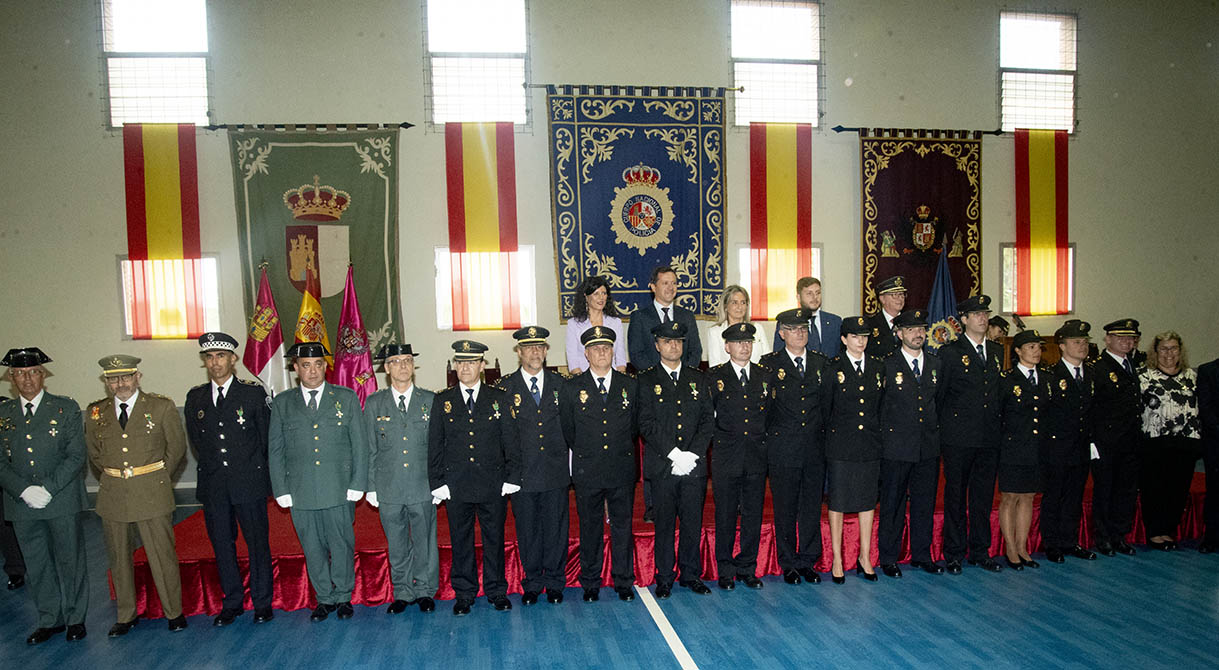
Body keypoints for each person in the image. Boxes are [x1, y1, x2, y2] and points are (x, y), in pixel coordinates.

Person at [85, 354, 188, 634]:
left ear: (137, 377)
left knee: (162, 555)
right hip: (114, 494)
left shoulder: (160, 407)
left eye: (126, 376)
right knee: (118, 558)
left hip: (151, 492)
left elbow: (176, 449)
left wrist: (155, 478)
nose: (121, 383)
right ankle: (126, 614)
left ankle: (173, 611)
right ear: (106, 383)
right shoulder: (96, 413)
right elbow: (95, 454)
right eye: (114, 379)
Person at [268, 342, 368, 622]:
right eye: (306, 365)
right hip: (300, 490)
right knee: (312, 546)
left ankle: (344, 596)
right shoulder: (283, 402)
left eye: (318, 364)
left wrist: (358, 482)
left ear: (326, 367)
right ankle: (324, 597)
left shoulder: (345, 398)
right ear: (296, 368)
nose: (312, 371)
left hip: (338, 487)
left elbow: (359, 444)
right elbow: (275, 450)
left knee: (341, 543)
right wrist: (281, 488)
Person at [184, 333, 274, 627]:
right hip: (215, 486)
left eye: (221, 356)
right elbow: (198, 442)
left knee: (258, 544)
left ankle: (262, 603)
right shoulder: (195, 397)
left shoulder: (252, 394)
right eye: (209, 357)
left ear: (233, 359)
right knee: (222, 545)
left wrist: (253, 471)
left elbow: (264, 440)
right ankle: (232, 602)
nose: (215, 362)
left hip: (248, 482)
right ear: (203, 362)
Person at [0, 348, 89, 644]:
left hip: (61, 499)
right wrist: (23, 490)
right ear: (12, 377)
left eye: (34, 372)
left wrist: (48, 488)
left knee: (70, 560)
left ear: (43, 375)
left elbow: (76, 456)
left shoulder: (65, 409)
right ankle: (50, 619)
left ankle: (76, 618)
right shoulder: (4, 414)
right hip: (21, 504)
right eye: (21, 373)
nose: (28, 379)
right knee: (37, 564)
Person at [428, 340, 521, 616]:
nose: (465, 367)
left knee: (494, 538)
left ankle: (496, 590)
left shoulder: (499, 398)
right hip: (457, 486)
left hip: (493, 483)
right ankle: (465, 592)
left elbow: (511, 441)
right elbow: (436, 445)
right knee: (461, 540)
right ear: (455, 366)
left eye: (471, 362)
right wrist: (437, 482)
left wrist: (512, 476)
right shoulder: (443, 401)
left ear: (482, 366)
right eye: (460, 362)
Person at [560, 326, 639, 603]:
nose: (601, 353)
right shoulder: (572, 389)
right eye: (595, 349)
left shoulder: (630, 385)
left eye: (606, 348)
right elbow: (569, 430)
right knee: (590, 528)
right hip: (588, 469)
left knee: (622, 527)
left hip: (621, 468)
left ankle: (623, 581)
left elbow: (633, 428)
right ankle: (591, 582)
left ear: (613, 351)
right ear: (586, 353)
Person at [494, 327, 570, 605]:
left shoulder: (562, 385)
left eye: (540, 347)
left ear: (546, 351)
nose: (535, 352)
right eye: (529, 347)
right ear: (519, 352)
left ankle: (555, 581)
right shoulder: (504, 388)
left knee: (555, 528)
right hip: (521, 474)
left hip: (555, 470)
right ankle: (532, 582)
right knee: (527, 530)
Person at [639, 321, 714, 597]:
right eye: (668, 341)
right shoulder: (646, 380)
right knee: (665, 524)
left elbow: (707, 421)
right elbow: (645, 423)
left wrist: (692, 455)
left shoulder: (698, 378)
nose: (674, 346)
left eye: (678, 341)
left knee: (693, 523)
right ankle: (665, 577)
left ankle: (691, 574)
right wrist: (674, 454)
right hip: (663, 465)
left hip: (693, 467)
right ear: (657, 345)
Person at [363, 343, 438, 614]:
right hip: (389, 486)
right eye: (396, 361)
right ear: (386, 368)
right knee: (396, 543)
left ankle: (425, 590)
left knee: (424, 540)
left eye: (407, 360)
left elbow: (438, 448)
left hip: (422, 484)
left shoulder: (430, 400)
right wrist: (370, 486)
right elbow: (369, 448)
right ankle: (403, 591)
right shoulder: (374, 403)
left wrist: (439, 482)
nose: (403, 366)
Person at [759, 308, 830, 585]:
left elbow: (827, 406)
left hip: (814, 447)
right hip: (782, 449)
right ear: (781, 333)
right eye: (793, 329)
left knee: (811, 508)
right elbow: (764, 409)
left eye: (803, 329)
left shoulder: (822, 363)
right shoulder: (769, 364)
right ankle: (788, 562)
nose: (800, 333)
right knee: (785, 508)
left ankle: (808, 560)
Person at [936, 294, 1003, 574]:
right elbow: (940, 397)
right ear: (963, 320)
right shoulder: (950, 352)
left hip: (988, 438)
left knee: (982, 497)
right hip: (958, 438)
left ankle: (979, 550)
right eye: (976, 314)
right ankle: (953, 552)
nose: (983, 318)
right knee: (955, 496)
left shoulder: (997, 351)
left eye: (985, 313)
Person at [877, 309, 944, 577]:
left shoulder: (936, 364)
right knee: (892, 503)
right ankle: (889, 557)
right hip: (896, 446)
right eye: (911, 329)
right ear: (899, 333)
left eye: (921, 329)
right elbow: (879, 408)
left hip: (927, 445)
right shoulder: (887, 364)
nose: (918, 334)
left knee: (924, 503)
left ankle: (921, 554)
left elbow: (940, 403)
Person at [707, 323, 770, 589]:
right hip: (726, 456)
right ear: (727, 346)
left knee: (753, 514)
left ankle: (747, 567)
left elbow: (771, 415)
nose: (745, 346)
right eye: (739, 342)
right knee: (725, 514)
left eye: (749, 342)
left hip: (756, 456)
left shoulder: (764, 376)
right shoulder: (714, 377)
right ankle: (725, 569)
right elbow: (707, 418)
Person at [823, 317, 885, 584]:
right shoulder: (833, 367)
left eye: (865, 337)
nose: (861, 341)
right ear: (844, 339)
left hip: (869, 444)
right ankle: (837, 558)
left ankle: (865, 557)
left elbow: (882, 407)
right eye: (856, 337)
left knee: (866, 502)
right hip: (841, 445)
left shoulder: (878, 367)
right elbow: (826, 409)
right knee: (838, 502)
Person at [1040, 320, 1098, 563]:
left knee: (1074, 496)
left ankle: (1069, 540)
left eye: (1085, 342)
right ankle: (1051, 543)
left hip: (1081, 446)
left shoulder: (1092, 374)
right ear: (1062, 346)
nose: (1082, 346)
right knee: (1054, 496)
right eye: (1076, 342)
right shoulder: (1051, 376)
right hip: (1057, 448)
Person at [1137, 331, 1201, 551]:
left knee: (1178, 489)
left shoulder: (1192, 377)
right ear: (1155, 351)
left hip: (1186, 443)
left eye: (1173, 348)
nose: (1169, 353)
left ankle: (1168, 529)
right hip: (1154, 443)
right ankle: (1155, 532)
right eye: (1163, 348)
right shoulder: (1143, 377)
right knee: (1154, 488)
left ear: (1180, 351)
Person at [996, 330, 1050, 570]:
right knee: (1010, 497)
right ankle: (1010, 548)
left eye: (1038, 347)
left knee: (1028, 496)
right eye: (1030, 347)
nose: (1036, 351)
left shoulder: (1046, 378)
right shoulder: (1007, 379)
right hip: (1012, 446)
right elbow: (998, 415)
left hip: (1036, 447)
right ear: (1017, 351)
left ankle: (1022, 546)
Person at [1089, 318, 1142, 557]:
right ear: (1107, 339)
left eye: (1130, 338)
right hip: (1107, 441)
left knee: (1126, 491)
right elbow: (1092, 408)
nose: (1126, 342)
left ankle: (1119, 534)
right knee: (1105, 491)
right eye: (1121, 338)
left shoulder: (1135, 366)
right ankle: (1103, 537)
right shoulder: (1098, 368)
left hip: (1130, 441)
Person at [627, 265, 702, 370]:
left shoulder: (687, 316)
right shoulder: (639, 317)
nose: (671, 288)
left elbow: (695, 351)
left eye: (674, 283)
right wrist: (659, 376)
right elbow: (636, 354)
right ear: (653, 287)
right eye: (665, 283)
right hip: (652, 382)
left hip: (683, 381)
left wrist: (683, 375)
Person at [565, 276, 627, 375]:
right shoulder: (574, 324)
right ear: (586, 296)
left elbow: (621, 359)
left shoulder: (616, 323)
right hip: (584, 381)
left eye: (604, 293)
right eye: (596, 294)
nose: (601, 298)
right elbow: (573, 362)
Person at [770, 276, 842, 358]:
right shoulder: (786, 322)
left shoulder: (835, 321)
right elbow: (779, 355)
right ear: (798, 297)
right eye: (809, 294)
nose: (815, 297)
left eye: (818, 293)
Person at [707, 285, 769, 366]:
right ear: (725, 306)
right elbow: (714, 365)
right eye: (734, 302)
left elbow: (767, 359)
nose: (739, 307)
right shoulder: (715, 332)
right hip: (727, 377)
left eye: (743, 302)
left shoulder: (757, 328)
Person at [1198, 355, 1219, 554]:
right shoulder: (1208, 370)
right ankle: (1212, 537)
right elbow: (1205, 408)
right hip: (1216, 442)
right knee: (1215, 491)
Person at [864, 275, 907, 359]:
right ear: (882, 299)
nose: (900, 299)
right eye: (894, 295)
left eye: (902, 294)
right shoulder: (869, 324)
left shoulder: (910, 322)